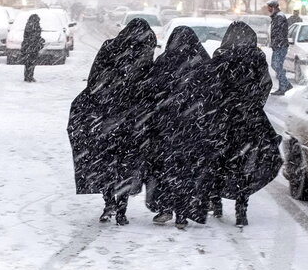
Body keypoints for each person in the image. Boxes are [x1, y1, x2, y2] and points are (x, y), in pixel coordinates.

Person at [67, 18, 156, 225]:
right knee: (127, 163)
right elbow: (147, 85)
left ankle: (109, 202)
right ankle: (122, 209)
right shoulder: (143, 52)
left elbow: (94, 79)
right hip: (133, 120)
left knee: (106, 161)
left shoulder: (110, 46)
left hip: (105, 117)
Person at [143, 27, 221, 229]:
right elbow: (213, 96)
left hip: (166, 127)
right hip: (193, 128)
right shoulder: (203, 64)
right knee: (189, 171)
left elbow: (151, 92)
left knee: (165, 169)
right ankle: (183, 212)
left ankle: (165, 207)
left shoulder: (163, 62)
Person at [210, 21, 283, 226]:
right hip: (250, 120)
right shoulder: (256, 57)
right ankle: (241, 208)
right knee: (245, 164)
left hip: (223, 120)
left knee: (220, 160)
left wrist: (220, 105)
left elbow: (212, 86)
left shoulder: (221, 56)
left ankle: (216, 201)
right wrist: (254, 104)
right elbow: (265, 84)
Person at [266, 0, 291, 95]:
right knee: (276, 65)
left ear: (273, 7)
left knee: (276, 65)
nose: (267, 9)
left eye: (269, 7)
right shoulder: (276, 17)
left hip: (280, 46)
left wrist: (277, 43)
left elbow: (279, 32)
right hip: (278, 45)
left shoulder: (279, 17)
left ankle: (284, 85)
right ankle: (284, 85)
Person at [19, 13, 44, 83]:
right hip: (31, 47)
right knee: (31, 62)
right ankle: (29, 76)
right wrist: (38, 41)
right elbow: (33, 37)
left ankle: (28, 76)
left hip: (29, 46)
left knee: (29, 62)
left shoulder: (30, 25)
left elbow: (32, 36)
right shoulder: (33, 26)